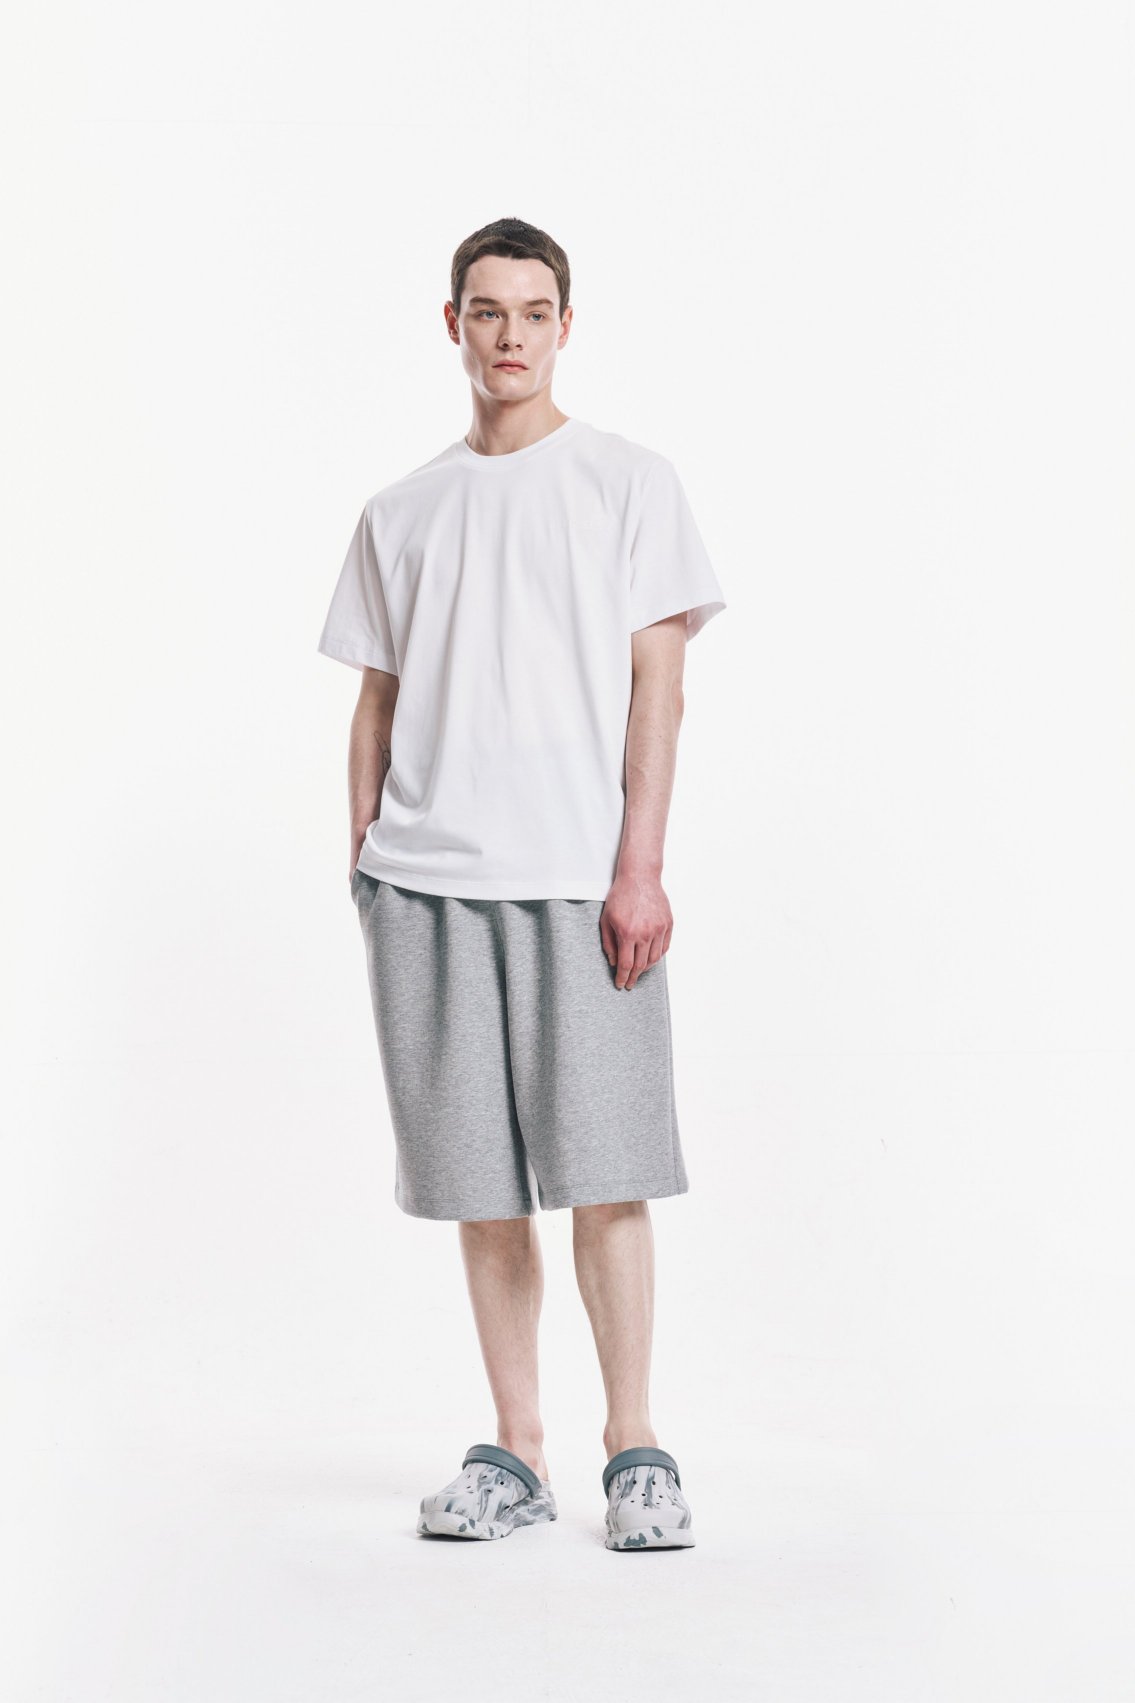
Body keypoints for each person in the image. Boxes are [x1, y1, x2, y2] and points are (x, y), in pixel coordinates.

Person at [316, 217, 726, 1550]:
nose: (509, 336)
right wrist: (366, 859)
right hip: (425, 890)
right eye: (486, 311)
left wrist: (639, 868)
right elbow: (376, 699)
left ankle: (636, 1451)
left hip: (576, 883)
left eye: (533, 312)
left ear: (565, 325)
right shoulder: (400, 510)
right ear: (454, 325)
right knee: (481, 1187)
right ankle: (518, 1451)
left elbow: (660, 686)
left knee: (610, 1172)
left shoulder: (627, 482)